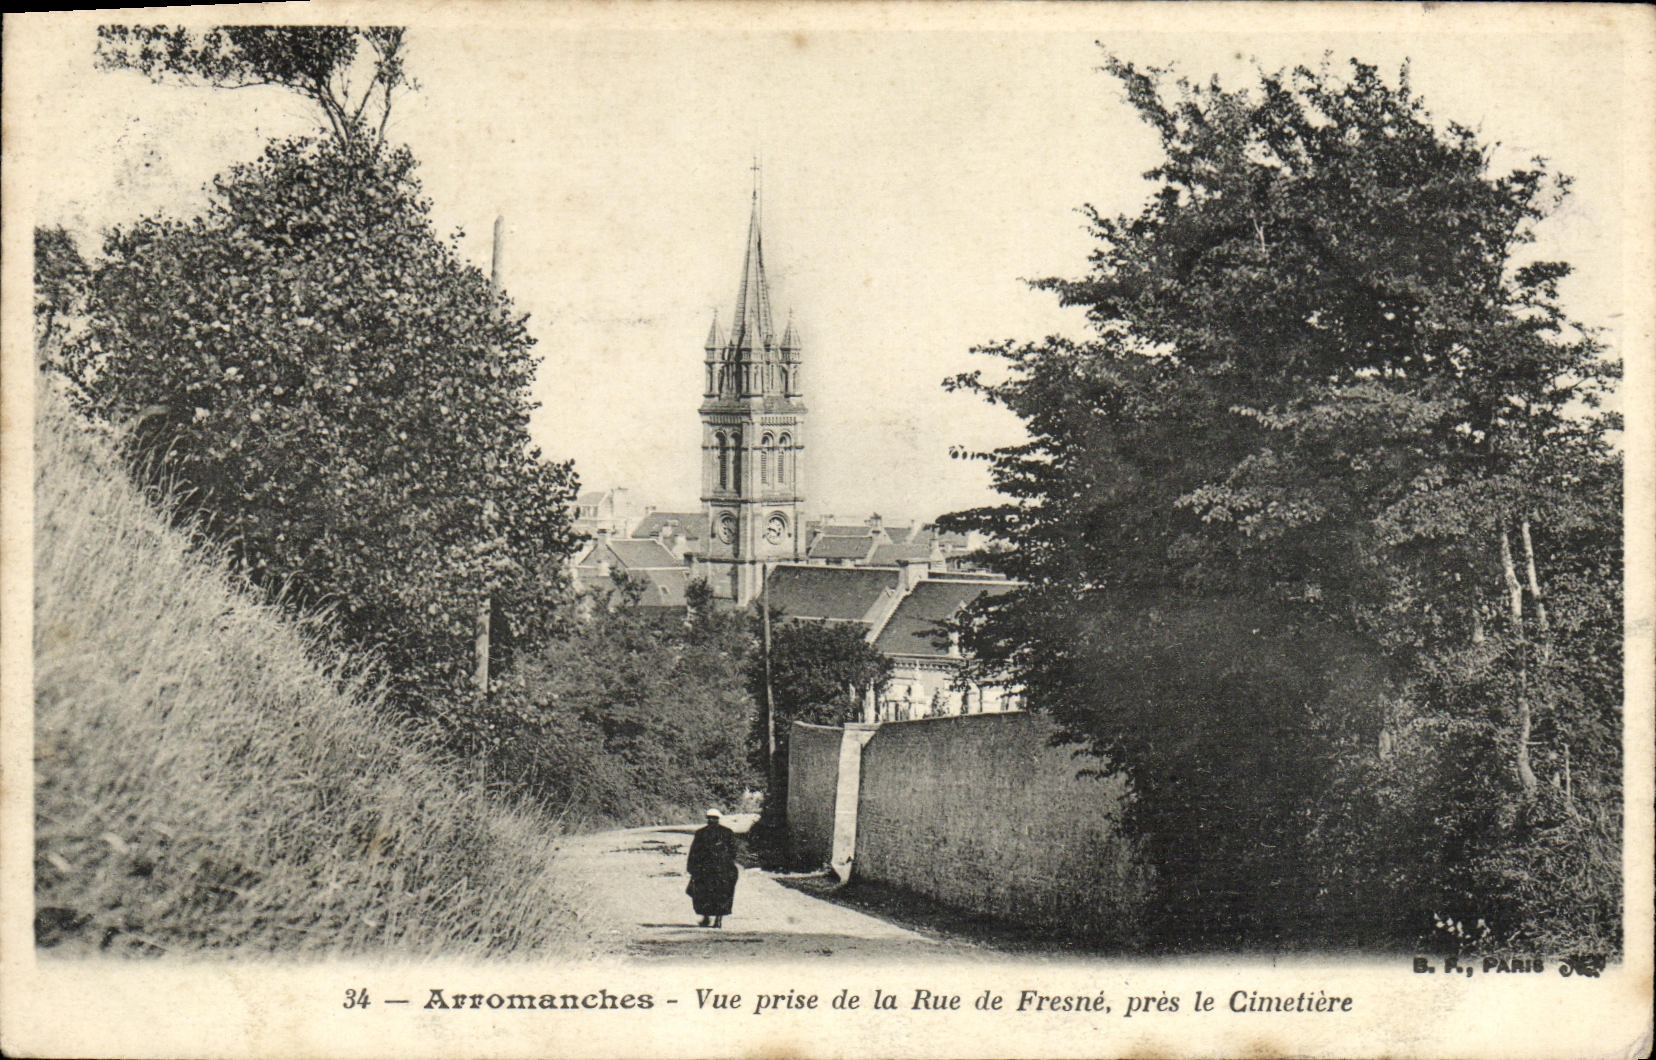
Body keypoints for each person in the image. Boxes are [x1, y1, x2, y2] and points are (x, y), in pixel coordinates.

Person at [685, 809, 739, 928]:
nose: (711, 820)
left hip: (719, 869)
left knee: (719, 894)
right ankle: (707, 918)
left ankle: (717, 920)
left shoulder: (725, 833)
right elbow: (694, 851)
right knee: (706, 893)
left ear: (718, 819)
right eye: (709, 818)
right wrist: (692, 866)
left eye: (713, 818)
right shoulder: (702, 833)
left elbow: (733, 851)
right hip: (709, 869)